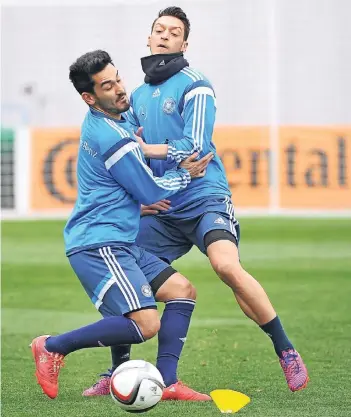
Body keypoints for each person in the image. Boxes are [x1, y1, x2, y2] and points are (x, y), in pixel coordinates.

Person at [84, 6, 309, 395]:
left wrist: (148, 149)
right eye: (159, 29)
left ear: (184, 43)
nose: (165, 35)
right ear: (149, 38)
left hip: (205, 196)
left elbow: (197, 149)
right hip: (165, 205)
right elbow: (126, 150)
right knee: (122, 264)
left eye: (174, 31)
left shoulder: (196, 84)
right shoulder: (135, 96)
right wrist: (145, 191)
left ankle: (285, 349)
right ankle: (117, 371)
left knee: (225, 266)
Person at [30, 49, 214, 400]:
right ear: (89, 97)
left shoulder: (117, 118)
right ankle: (52, 346)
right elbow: (150, 189)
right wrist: (184, 173)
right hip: (100, 244)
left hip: (118, 239)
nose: (119, 89)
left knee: (181, 291)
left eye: (118, 79)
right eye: (107, 85)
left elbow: (130, 177)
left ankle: (168, 382)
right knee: (146, 324)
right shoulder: (111, 136)